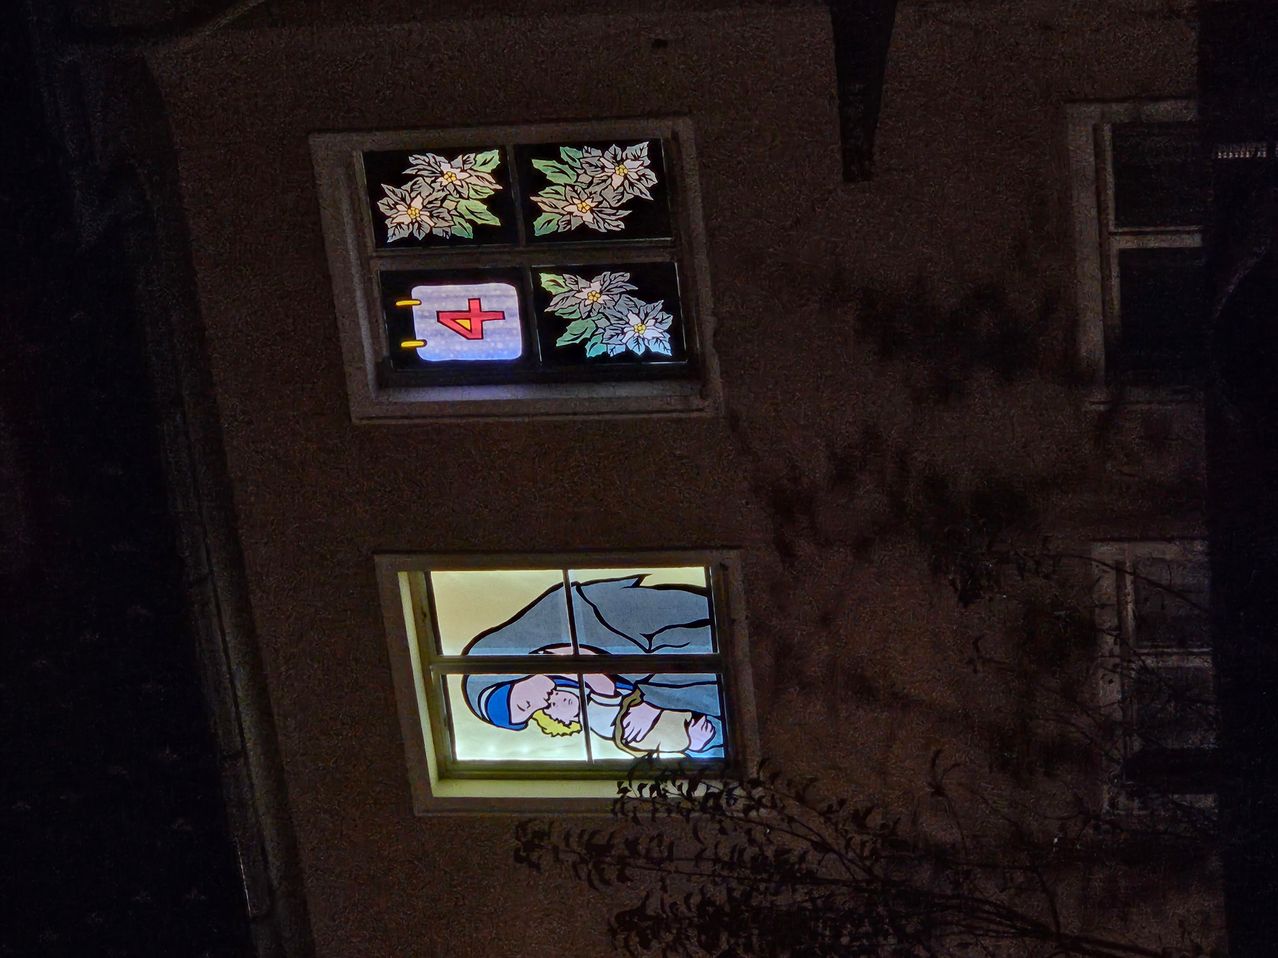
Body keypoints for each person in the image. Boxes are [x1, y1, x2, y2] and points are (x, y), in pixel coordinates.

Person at [462, 575, 725, 758]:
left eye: (524, 705)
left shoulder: (582, 614)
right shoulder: (567, 682)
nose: (539, 707)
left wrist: (649, 701)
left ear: (511, 677)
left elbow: (680, 646)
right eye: (532, 713)